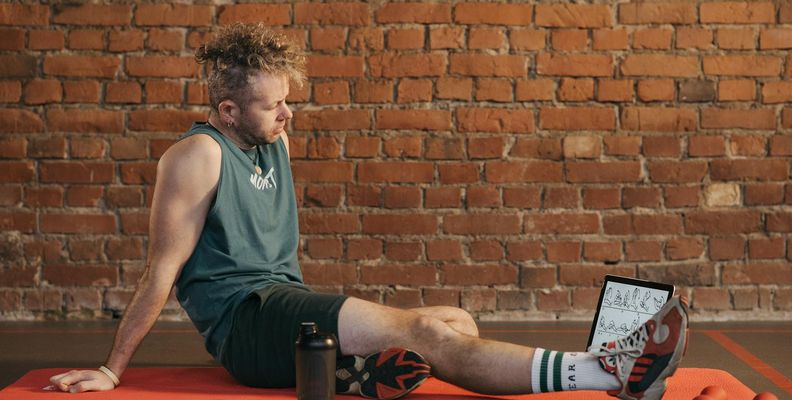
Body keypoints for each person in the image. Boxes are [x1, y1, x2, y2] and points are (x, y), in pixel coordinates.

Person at [48, 23, 689, 400]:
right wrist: (112, 369)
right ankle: (604, 373)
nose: (288, 114)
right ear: (227, 113)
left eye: (288, 101)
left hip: (284, 307)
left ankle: (349, 377)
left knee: (454, 319)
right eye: (274, 106)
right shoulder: (196, 155)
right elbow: (161, 271)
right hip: (251, 324)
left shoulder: (274, 139)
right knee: (430, 336)